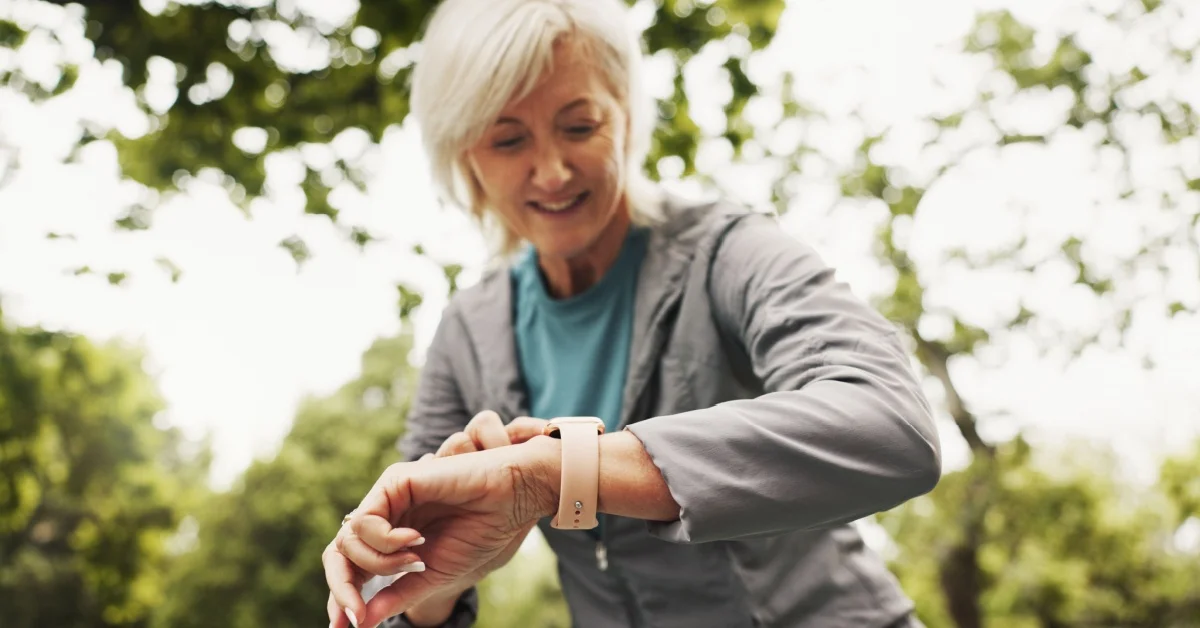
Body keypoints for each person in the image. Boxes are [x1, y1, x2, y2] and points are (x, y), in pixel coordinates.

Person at [323, 0, 941, 626]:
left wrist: (557, 474)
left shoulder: (724, 253)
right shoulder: (467, 332)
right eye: (508, 139)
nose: (553, 171)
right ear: (464, 156)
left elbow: (890, 423)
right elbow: (402, 587)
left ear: (625, 114)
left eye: (579, 126)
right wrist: (435, 576)